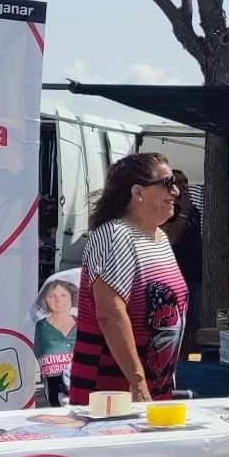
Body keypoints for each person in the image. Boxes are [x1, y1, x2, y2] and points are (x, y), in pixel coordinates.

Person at [71, 153, 189, 404]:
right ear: (139, 192)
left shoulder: (159, 238)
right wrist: (138, 384)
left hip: (151, 389)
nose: (176, 191)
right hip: (113, 392)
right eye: (167, 183)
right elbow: (110, 315)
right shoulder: (114, 236)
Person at [162, 171, 203, 332]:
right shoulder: (166, 210)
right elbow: (171, 239)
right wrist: (183, 213)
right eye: (179, 182)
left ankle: (190, 356)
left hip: (193, 274)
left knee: (192, 321)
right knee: (176, 322)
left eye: (185, 181)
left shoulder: (193, 210)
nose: (184, 185)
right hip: (174, 275)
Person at [32, 272, 79, 405]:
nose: (58, 300)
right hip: (53, 382)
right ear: (45, 299)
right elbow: (36, 351)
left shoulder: (82, 324)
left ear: (71, 297)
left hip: (79, 380)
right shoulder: (40, 326)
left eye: (63, 295)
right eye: (52, 296)